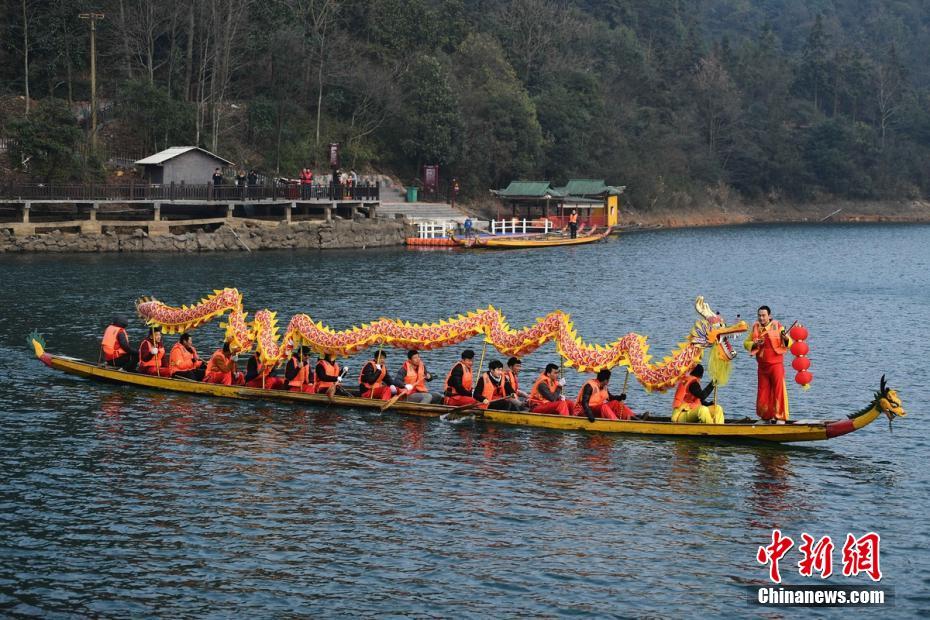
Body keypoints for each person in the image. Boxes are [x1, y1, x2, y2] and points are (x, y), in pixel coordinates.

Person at [744, 305, 792, 423]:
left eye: (764, 315)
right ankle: (765, 417)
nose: (761, 318)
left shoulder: (777, 326)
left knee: (778, 390)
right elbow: (746, 343)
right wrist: (755, 344)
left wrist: (785, 338)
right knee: (763, 391)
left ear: (769, 316)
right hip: (762, 366)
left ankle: (780, 417)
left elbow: (789, 342)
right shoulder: (755, 327)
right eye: (759, 315)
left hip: (776, 365)